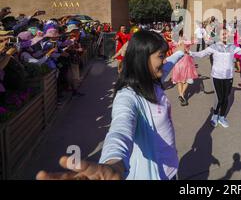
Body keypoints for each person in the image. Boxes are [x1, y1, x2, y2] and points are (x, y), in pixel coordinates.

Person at [36, 31, 186, 180]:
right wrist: (113, 165)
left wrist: (179, 52)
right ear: (142, 58)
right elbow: (120, 130)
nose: (165, 60)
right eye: (161, 56)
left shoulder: (152, 79)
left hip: (171, 169)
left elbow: (169, 63)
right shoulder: (128, 96)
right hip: (153, 175)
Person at [190, 28, 241, 128]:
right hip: (216, 76)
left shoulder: (233, 47)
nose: (224, 35)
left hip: (228, 77)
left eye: (226, 34)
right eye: (222, 34)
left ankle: (222, 117)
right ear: (219, 36)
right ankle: (215, 115)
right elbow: (201, 54)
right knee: (219, 98)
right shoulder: (214, 47)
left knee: (225, 98)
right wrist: (190, 53)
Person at [171, 30, 198, 106]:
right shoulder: (186, 41)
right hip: (186, 61)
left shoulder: (175, 41)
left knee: (179, 80)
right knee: (188, 78)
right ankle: (182, 94)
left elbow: (171, 47)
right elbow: (196, 41)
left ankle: (181, 95)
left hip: (177, 62)